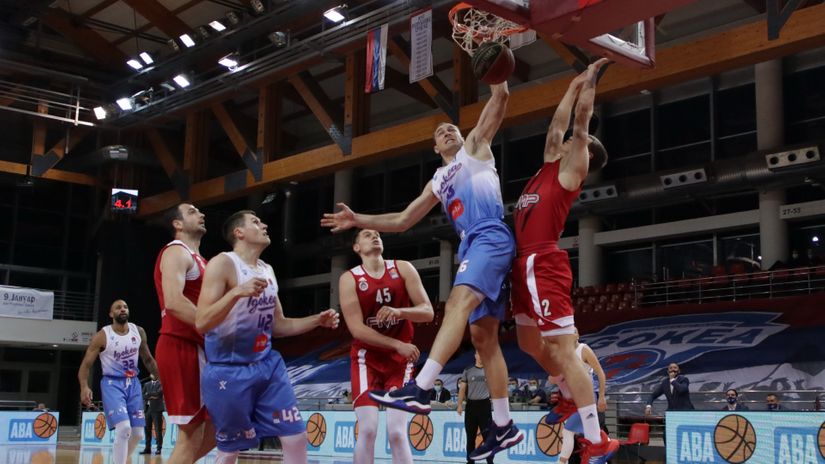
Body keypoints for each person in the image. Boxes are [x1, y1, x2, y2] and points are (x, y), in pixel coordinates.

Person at [323, 79, 524, 461]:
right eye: (440, 132)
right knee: (484, 340)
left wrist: (498, 77)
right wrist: (356, 219)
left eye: (452, 127)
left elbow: (500, 100)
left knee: (455, 306)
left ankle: (424, 387)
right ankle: (503, 424)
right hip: (471, 243)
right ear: (435, 148)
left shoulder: (475, 149)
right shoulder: (438, 179)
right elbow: (401, 221)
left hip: (489, 236)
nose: (448, 131)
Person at [508, 57, 618, 463]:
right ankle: (570, 394)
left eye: (577, 140)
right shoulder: (549, 164)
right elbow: (556, 127)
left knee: (563, 349)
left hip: (543, 262)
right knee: (526, 342)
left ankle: (594, 438)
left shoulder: (574, 167)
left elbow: (580, 121)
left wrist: (590, 81)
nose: (568, 139)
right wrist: (569, 87)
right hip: (523, 265)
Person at [196, 210, 340, 464]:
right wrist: (236, 293)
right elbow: (202, 322)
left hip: (267, 366)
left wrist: (317, 320)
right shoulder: (223, 263)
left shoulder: (267, 270)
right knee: (230, 451)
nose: (263, 224)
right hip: (228, 370)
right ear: (238, 233)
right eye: (255, 222)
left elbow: (279, 325)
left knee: (296, 438)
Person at [339, 228, 434, 464]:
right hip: (366, 358)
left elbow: (428, 312)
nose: (374, 236)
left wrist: (400, 312)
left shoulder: (403, 268)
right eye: (367, 235)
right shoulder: (349, 278)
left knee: (397, 433)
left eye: (377, 234)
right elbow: (357, 329)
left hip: (399, 362)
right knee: (368, 429)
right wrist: (396, 344)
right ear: (356, 248)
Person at [153, 203, 215, 464]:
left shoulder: (205, 261)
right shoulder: (176, 252)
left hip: (202, 347)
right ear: (177, 224)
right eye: (192, 212)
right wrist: (218, 329)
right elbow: (174, 302)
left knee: (215, 432)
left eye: (200, 211)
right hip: (181, 344)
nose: (201, 214)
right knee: (191, 434)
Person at [78, 300, 159, 464]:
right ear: (111, 314)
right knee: (124, 429)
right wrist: (84, 386)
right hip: (112, 384)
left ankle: (118, 460)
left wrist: (162, 379)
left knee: (138, 434)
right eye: (118, 307)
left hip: (133, 384)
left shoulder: (138, 331)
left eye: (125, 307)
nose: (123, 309)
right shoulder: (103, 336)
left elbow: (148, 360)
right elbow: (86, 365)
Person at [558, 332, 610, 464]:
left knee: (568, 430)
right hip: (575, 400)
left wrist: (602, 396)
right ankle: (604, 455)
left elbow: (600, 372)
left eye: (573, 332)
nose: (570, 334)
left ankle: (562, 461)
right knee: (592, 435)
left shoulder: (584, 349)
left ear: (577, 335)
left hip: (587, 398)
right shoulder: (565, 353)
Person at [457, 352, 494, 464]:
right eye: (479, 353)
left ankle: (490, 461)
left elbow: (495, 386)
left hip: (485, 406)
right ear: (475, 355)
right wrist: (459, 405)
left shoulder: (490, 369)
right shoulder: (468, 370)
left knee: (487, 437)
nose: (481, 355)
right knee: (470, 436)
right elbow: (462, 389)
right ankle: (470, 460)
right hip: (471, 406)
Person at [141, 374, 165, 455]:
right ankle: (147, 448)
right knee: (147, 430)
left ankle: (159, 448)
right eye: (151, 373)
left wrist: (149, 394)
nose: (153, 374)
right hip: (147, 409)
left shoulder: (161, 383)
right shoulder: (146, 384)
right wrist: (151, 395)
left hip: (157, 409)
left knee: (158, 430)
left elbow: (158, 394)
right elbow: (143, 395)